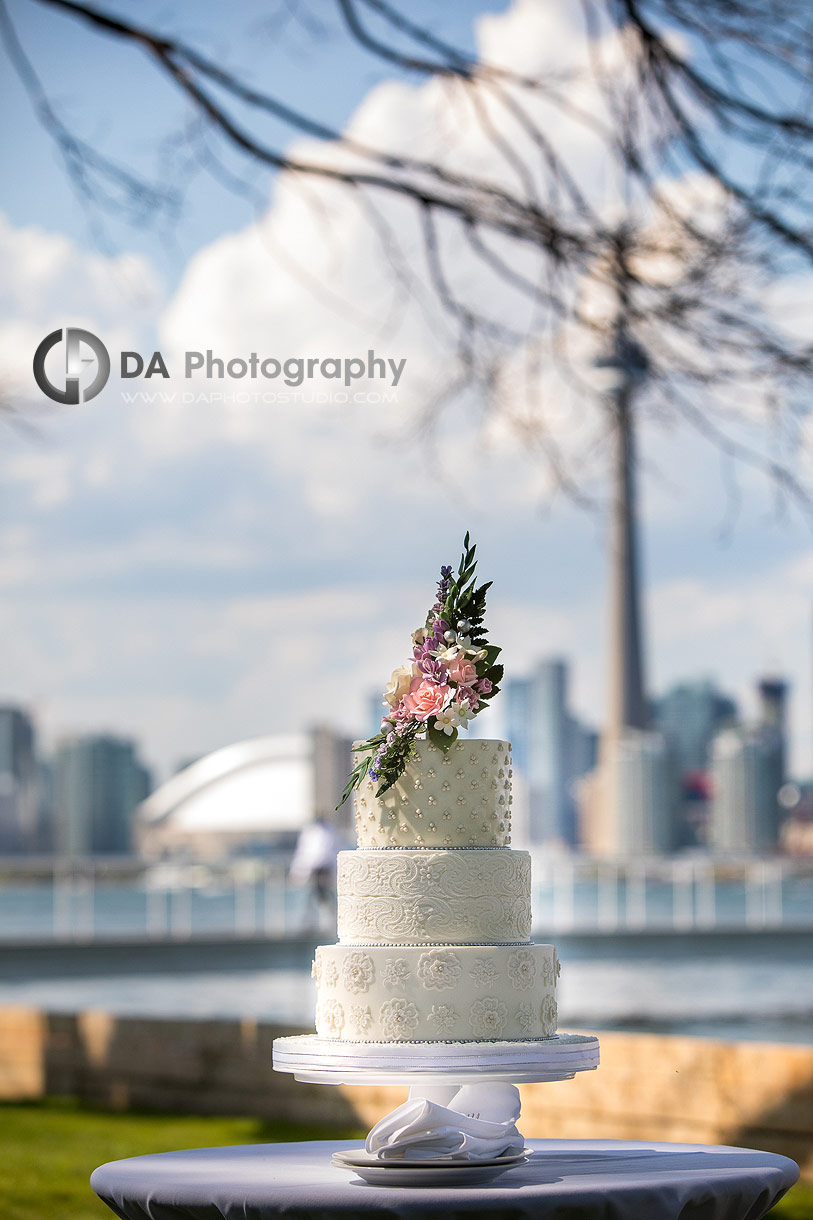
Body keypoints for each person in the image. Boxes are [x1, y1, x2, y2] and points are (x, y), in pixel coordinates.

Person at [289, 815, 342, 930]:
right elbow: (304, 852)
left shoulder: (329, 831)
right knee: (311, 896)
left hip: (325, 867)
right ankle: (308, 923)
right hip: (313, 869)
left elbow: (333, 850)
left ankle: (334, 921)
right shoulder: (310, 831)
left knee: (326, 895)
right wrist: (299, 870)